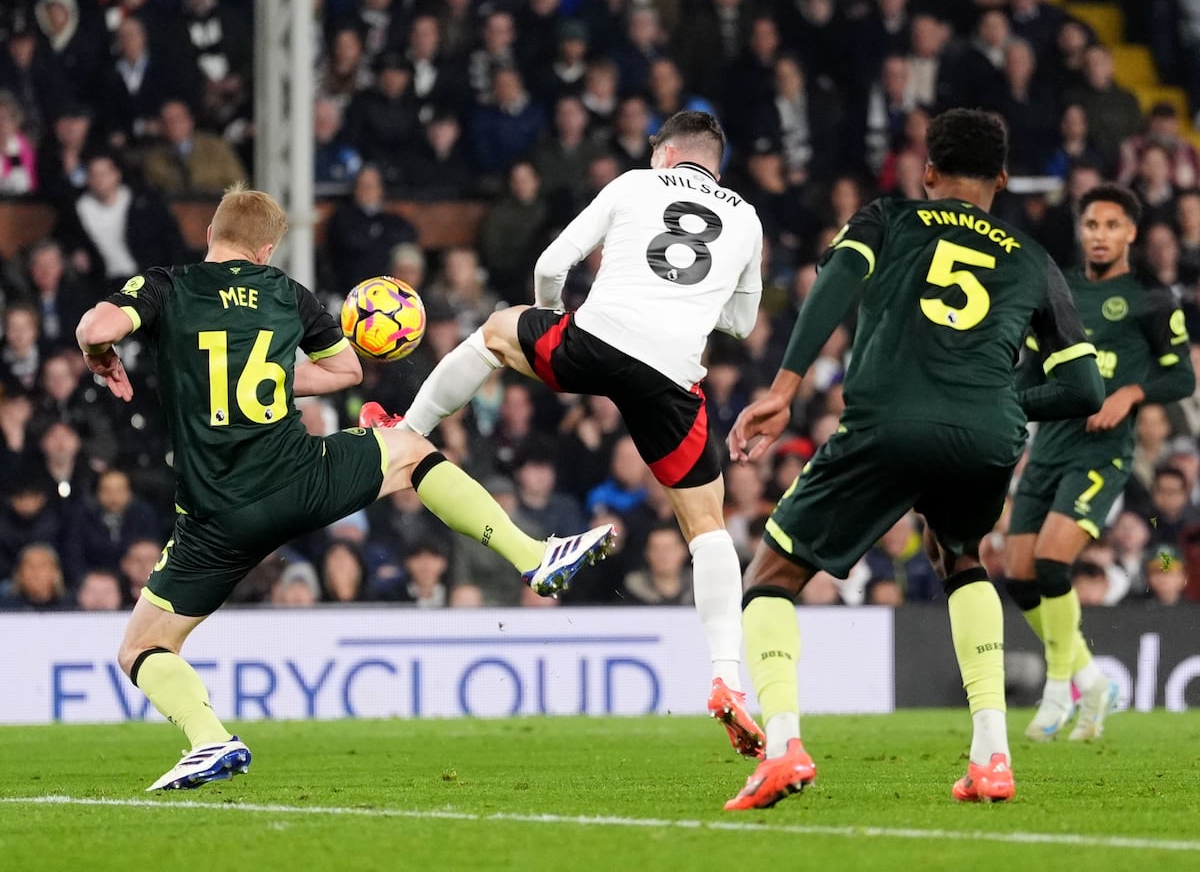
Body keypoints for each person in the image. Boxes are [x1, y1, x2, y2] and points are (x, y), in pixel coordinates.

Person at [75, 184, 614, 792]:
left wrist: (100, 353)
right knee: (410, 451)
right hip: (296, 477)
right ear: (267, 249)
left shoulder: (168, 286)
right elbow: (348, 371)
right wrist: (275, 370)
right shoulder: (285, 293)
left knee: (143, 647)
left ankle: (209, 740)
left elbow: (97, 324)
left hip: (214, 514)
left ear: (210, 236)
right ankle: (534, 557)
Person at [723, 109, 1105, 809]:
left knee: (771, 575)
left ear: (929, 172)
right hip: (987, 437)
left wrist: (784, 388)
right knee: (961, 557)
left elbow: (835, 284)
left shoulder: (889, 219)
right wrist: (999, 402)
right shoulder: (1033, 258)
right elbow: (1085, 387)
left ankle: (782, 748)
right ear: (1001, 179)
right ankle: (993, 755)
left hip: (888, 422)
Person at [362, 111, 768, 757]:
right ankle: (728, 678)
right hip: (672, 376)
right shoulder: (745, 218)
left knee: (497, 331)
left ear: (665, 154)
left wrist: (549, 317)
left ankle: (406, 429)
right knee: (708, 528)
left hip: (598, 339)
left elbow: (554, 262)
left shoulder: (636, 183)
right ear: (715, 163)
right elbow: (744, 322)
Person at [1005, 183, 1194, 743]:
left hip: (1102, 453)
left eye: (1113, 225)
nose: (1101, 235)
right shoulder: (1056, 287)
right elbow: (1036, 363)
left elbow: (1180, 375)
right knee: (1019, 578)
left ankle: (1058, 690)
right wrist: (1004, 402)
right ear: (1080, 229)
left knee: (1051, 565)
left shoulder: (1153, 299)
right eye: (1092, 225)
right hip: (1050, 447)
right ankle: (1094, 680)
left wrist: (1130, 393)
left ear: (1132, 233)